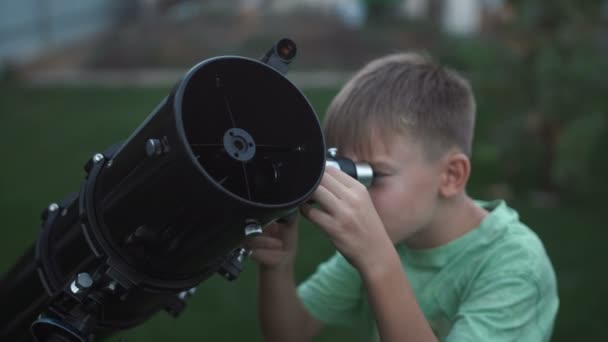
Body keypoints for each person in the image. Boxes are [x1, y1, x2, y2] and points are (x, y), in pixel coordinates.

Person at [246, 52, 559, 341]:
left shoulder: (516, 266)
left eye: (374, 175)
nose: (356, 194)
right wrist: (278, 268)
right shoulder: (393, 235)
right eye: (350, 172)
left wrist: (378, 261)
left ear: (451, 176)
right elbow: (292, 332)